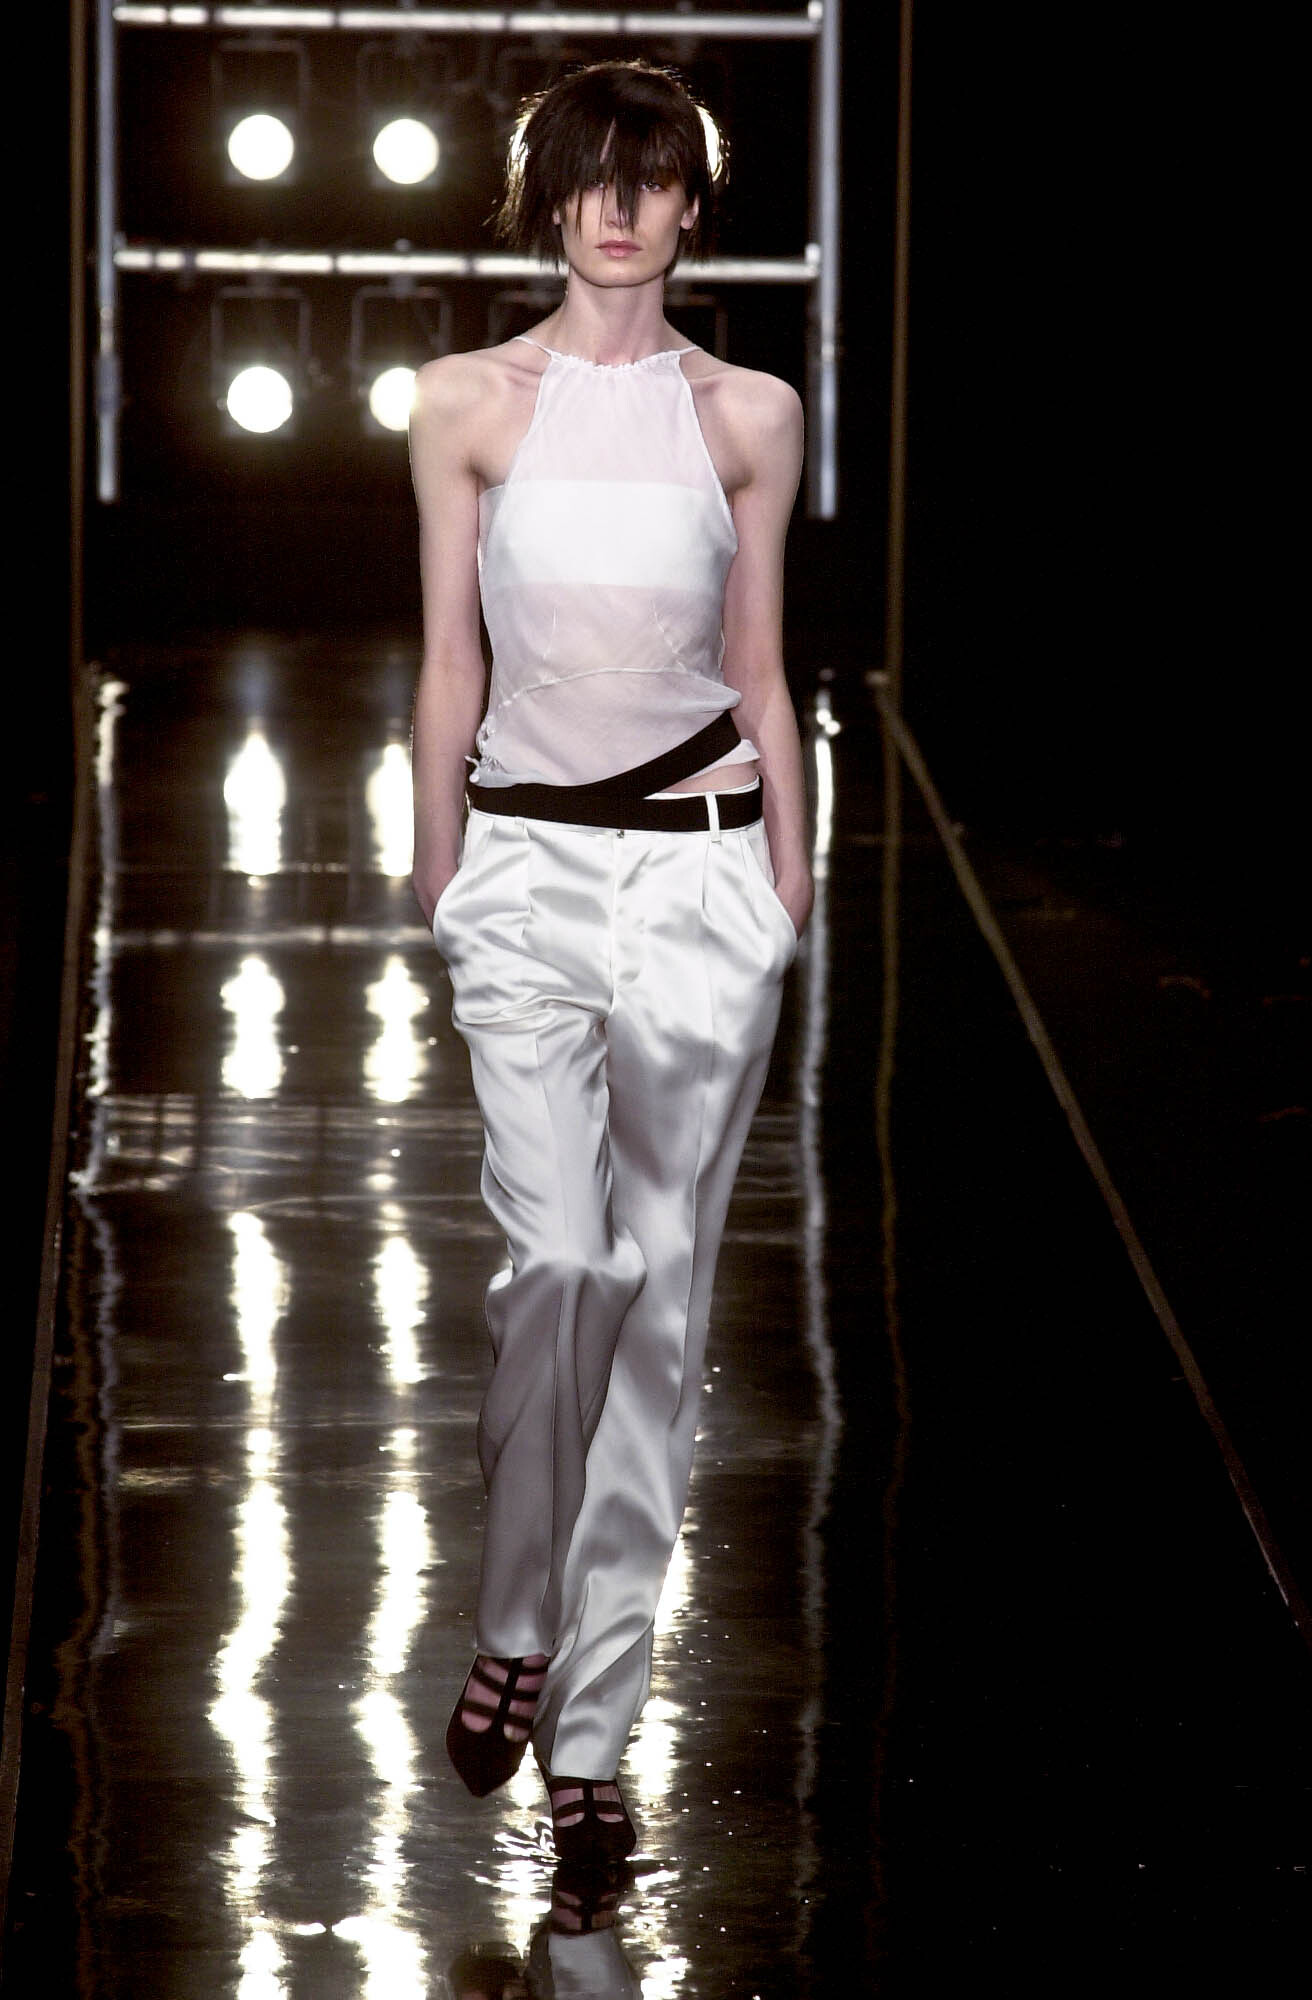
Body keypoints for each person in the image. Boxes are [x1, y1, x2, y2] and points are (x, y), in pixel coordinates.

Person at [408, 58, 811, 1867]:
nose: (619, 209)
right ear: (547, 200)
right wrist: (444, 876)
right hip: (526, 877)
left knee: (659, 1317)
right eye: (589, 176)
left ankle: (588, 1728)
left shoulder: (750, 414)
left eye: (650, 179)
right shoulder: (462, 405)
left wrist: (786, 890)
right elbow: (449, 659)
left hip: (708, 883)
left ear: (690, 206)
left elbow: (761, 663)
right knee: (560, 1261)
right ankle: (513, 1615)